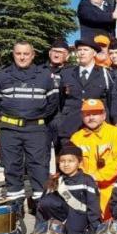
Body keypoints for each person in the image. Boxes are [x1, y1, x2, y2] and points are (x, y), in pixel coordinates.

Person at [0, 40, 58, 222]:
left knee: (39, 167)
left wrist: (35, 116)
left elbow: (52, 103)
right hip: (10, 129)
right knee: (11, 166)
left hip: (36, 128)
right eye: (18, 53)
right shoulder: (1, 76)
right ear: (14, 54)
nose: (22, 57)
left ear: (33, 55)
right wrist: (11, 117)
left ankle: (40, 206)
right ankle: (16, 207)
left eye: (26, 54)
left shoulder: (45, 76)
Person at [70, 99, 117, 219]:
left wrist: (98, 176)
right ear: (82, 116)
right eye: (87, 114)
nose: (91, 118)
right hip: (84, 185)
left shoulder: (116, 134)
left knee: (109, 216)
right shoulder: (76, 138)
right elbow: (72, 164)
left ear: (104, 115)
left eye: (95, 114)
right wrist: (86, 179)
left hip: (110, 184)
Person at [37, 144, 101, 234]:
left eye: (70, 161)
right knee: (46, 201)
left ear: (79, 162)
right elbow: (41, 207)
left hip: (80, 215)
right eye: (62, 161)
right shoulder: (56, 180)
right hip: (62, 215)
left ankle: (84, 232)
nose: (66, 164)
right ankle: (53, 228)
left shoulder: (87, 180)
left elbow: (94, 208)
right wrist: (39, 229)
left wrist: (94, 232)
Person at [56, 38, 113, 149]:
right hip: (70, 127)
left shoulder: (105, 74)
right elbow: (60, 100)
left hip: (96, 129)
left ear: (94, 53)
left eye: (86, 50)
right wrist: (60, 121)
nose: (81, 53)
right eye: (79, 50)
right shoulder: (66, 73)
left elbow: (110, 101)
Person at [42, 39, 70, 170]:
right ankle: (42, 185)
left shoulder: (72, 72)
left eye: (61, 52)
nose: (57, 54)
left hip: (62, 118)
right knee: (41, 155)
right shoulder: (39, 71)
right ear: (49, 53)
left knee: (63, 154)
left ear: (67, 56)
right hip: (42, 119)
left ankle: (61, 183)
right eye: (54, 51)